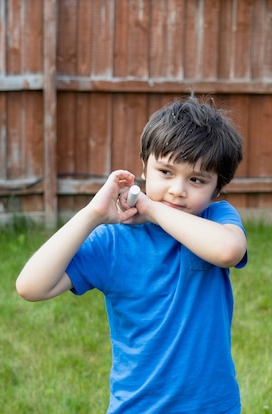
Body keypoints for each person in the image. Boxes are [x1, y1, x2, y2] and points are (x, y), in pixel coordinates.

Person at [16, 95, 248, 413]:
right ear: (144, 167)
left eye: (196, 180)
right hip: (139, 406)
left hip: (212, 406)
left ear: (216, 189)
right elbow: (31, 286)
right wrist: (91, 215)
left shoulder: (215, 219)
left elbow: (228, 250)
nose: (178, 190)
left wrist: (151, 209)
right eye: (165, 172)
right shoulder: (114, 240)